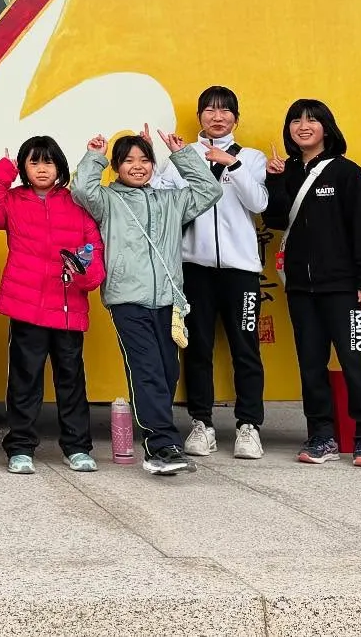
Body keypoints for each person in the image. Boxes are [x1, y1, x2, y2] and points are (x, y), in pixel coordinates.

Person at [73, 128, 220, 476]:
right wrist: (95, 155)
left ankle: (160, 439)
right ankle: (161, 446)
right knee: (148, 370)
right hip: (127, 298)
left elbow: (210, 190)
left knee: (168, 372)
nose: (137, 166)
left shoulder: (171, 200)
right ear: (116, 167)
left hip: (168, 301)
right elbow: (82, 190)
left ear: (154, 164)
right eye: (127, 161)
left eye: (144, 160)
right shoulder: (108, 200)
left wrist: (182, 156)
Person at [264, 99, 361, 468]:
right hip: (301, 288)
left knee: (355, 361)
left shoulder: (346, 173)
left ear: (327, 128)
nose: (303, 126)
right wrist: (275, 180)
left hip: (346, 288)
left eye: (312, 120)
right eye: (296, 120)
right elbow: (277, 219)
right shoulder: (289, 173)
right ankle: (321, 435)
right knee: (311, 364)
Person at [155, 87, 270, 461]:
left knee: (246, 349)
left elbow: (259, 203)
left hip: (242, 271)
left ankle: (248, 426)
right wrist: (160, 161)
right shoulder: (181, 158)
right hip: (194, 268)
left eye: (224, 111)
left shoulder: (251, 158)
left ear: (236, 118)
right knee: (197, 347)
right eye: (209, 110)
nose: (216, 117)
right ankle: (201, 424)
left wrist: (231, 165)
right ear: (200, 116)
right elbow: (160, 199)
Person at [0, 136, 105, 474]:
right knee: (25, 379)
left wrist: (81, 278)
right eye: (33, 162)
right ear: (24, 167)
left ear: (60, 167)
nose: (41, 168)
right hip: (27, 308)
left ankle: (77, 448)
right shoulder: (12, 201)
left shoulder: (76, 203)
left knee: (71, 380)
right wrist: (3, 171)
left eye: (48, 162)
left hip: (68, 306)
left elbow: (94, 254)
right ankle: (20, 448)